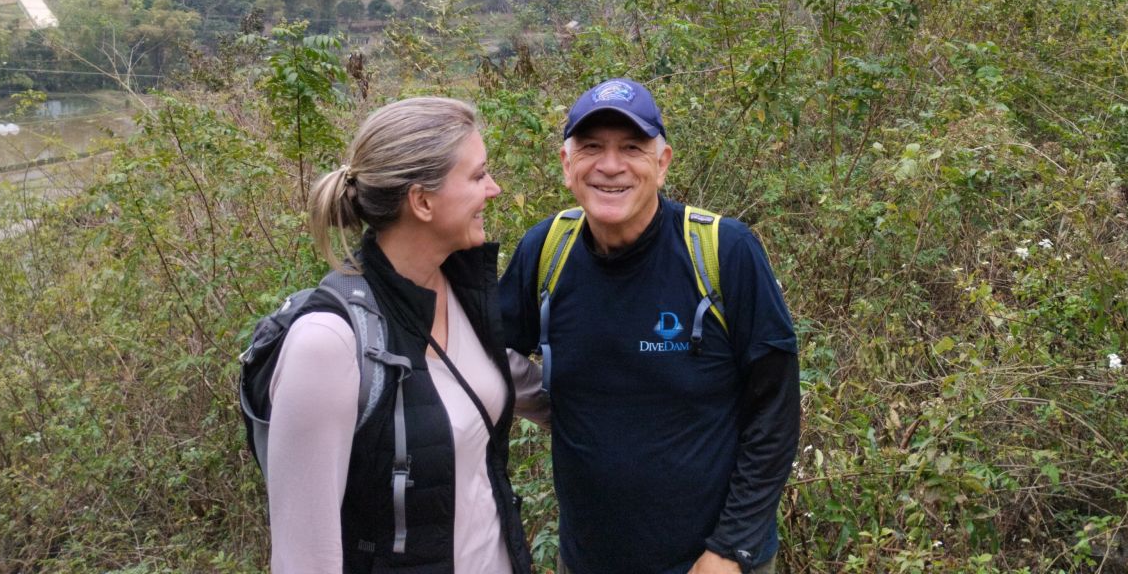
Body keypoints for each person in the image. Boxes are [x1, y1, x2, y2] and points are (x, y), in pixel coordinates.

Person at [501, 78, 800, 574]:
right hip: (590, 558)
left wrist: (731, 547)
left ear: (662, 165)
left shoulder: (723, 250)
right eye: (592, 147)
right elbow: (484, 354)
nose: (611, 166)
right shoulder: (546, 250)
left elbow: (775, 409)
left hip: (710, 561)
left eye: (632, 148)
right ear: (566, 164)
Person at [266, 96, 536, 574]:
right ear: (422, 201)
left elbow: (533, 390)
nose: (493, 189)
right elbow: (304, 559)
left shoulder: (463, 293)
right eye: (477, 176)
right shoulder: (327, 344)